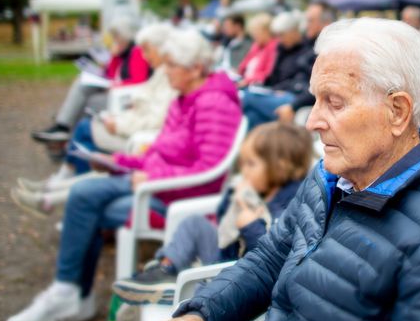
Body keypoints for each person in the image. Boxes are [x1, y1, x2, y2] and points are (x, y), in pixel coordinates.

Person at [149, 18, 420, 321]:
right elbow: (272, 258)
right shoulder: (334, 176)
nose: (312, 121)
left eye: (334, 102)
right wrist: (204, 316)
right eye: (316, 99)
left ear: (397, 111)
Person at [5, 30, 242, 321]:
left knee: (84, 199)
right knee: (85, 198)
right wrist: (118, 161)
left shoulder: (214, 104)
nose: (164, 71)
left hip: (171, 198)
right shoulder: (185, 98)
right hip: (156, 187)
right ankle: (70, 294)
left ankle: (70, 293)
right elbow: (160, 151)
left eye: (171, 65)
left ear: (195, 68)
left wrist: (150, 176)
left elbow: (209, 173)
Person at [112, 122, 313, 305]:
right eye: (243, 163)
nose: (244, 171)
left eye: (251, 164)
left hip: (237, 278)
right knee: (194, 224)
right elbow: (221, 220)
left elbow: (274, 257)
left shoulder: (290, 205)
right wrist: (232, 200)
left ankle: (189, 297)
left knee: (208, 289)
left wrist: (251, 226)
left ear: (279, 166)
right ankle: (166, 269)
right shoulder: (261, 189)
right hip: (223, 256)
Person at [11, 23, 178, 215]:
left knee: (86, 133)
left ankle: (57, 191)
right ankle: (55, 191)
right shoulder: (164, 72)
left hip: (142, 140)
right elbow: (148, 103)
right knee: (89, 135)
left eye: (148, 50)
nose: (145, 55)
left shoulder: (168, 75)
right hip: (140, 136)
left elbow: (154, 114)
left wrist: (120, 121)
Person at [32, 15, 151, 142]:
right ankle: (64, 129)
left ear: (125, 36)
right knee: (82, 87)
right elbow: (111, 74)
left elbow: (139, 81)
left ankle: (67, 133)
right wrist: (115, 57)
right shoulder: (123, 53)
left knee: (88, 102)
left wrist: (115, 85)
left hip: (126, 97)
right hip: (118, 93)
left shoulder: (137, 52)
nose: (114, 40)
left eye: (116, 36)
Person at [241, 12, 316, 130]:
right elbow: (274, 77)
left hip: (295, 98)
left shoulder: (307, 52)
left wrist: (292, 106)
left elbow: (308, 85)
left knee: (245, 98)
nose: (279, 39)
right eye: (278, 35)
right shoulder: (282, 50)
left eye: (282, 35)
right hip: (279, 92)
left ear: (294, 31)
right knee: (252, 116)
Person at [274, 2, 337, 123]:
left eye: (310, 21)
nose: (305, 25)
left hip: (300, 102)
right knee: (251, 113)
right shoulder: (309, 45)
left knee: (245, 100)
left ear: (326, 23)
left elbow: (322, 86)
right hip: (292, 94)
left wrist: (293, 106)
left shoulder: (331, 51)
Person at [237, 13, 278, 87]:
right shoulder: (256, 46)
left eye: (256, 32)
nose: (253, 36)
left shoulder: (274, 47)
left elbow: (268, 73)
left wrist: (248, 81)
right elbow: (243, 65)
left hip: (259, 85)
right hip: (245, 81)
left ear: (266, 31)